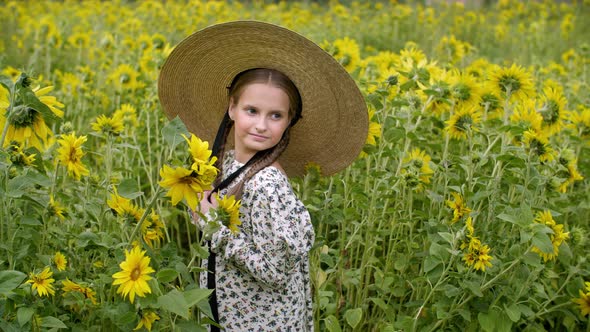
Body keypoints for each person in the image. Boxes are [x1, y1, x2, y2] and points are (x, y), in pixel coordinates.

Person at [158, 21, 368, 332]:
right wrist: (202, 210)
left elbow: (274, 270)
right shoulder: (227, 164)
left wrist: (212, 226)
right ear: (232, 108)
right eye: (252, 110)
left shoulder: (267, 185)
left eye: (276, 115)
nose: (261, 125)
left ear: (288, 123)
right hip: (235, 315)